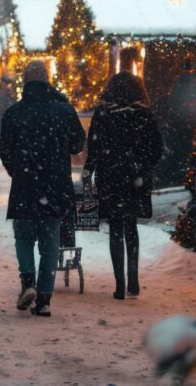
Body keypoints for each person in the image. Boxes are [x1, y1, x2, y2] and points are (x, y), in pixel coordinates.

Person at [0, 60, 85, 317]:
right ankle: (45, 299)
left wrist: (18, 170)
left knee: (24, 238)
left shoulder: (14, 113)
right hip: (55, 185)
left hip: (24, 186)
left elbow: (5, 151)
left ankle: (28, 283)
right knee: (50, 243)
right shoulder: (64, 111)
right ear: (47, 81)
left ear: (24, 82)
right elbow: (77, 144)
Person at [82, 73, 163, 300]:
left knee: (116, 228)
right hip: (135, 178)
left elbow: (94, 146)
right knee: (131, 226)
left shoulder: (104, 113)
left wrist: (89, 170)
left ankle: (119, 285)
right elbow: (156, 148)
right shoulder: (143, 114)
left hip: (111, 177)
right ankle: (134, 282)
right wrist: (142, 166)